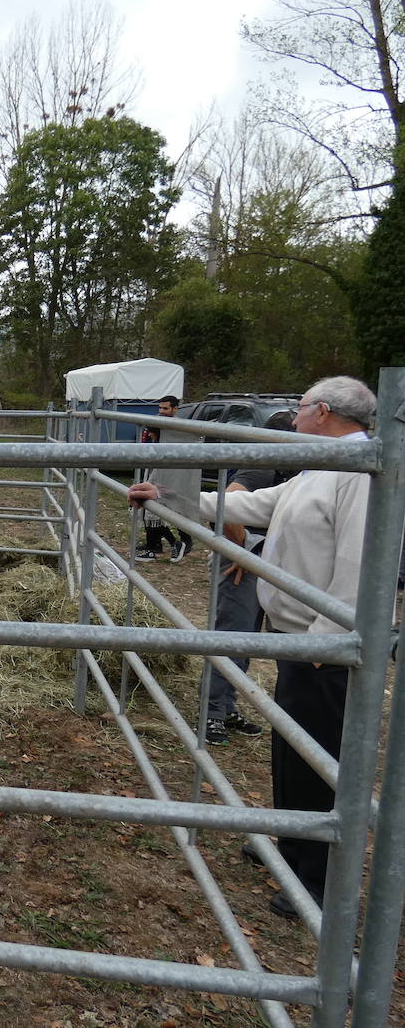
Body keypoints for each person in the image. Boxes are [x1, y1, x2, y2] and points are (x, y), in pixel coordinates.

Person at [127, 376, 374, 920]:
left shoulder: (360, 471)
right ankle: (293, 844)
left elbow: (362, 565)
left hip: (323, 643)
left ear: (324, 412)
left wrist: (328, 640)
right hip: (299, 638)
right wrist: (172, 497)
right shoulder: (323, 465)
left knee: (318, 757)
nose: (293, 417)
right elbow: (260, 505)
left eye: (302, 407)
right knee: (293, 748)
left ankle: (316, 882)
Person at [202, 409, 296, 746]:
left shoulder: (291, 469)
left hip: (265, 563)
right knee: (232, 637)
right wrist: (242, 549)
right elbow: (230, 500)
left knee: (246, 641)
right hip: (246, 564)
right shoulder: (264, 464)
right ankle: (210, 714)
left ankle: (226, 707)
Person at [135, 395, 194, 562]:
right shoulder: (157, 424)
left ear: (175, 408)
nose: (162, 412)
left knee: (166, 506)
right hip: (155, 468)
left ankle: (179, 542)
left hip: (169, 471)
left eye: (166, 408)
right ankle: (162, 544)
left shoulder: (177, 428)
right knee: (152, 507)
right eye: (160, 408)